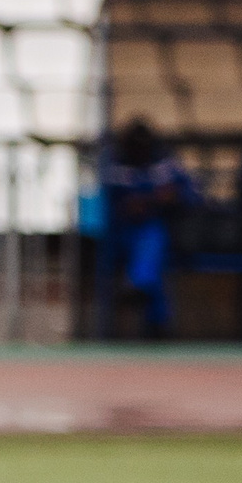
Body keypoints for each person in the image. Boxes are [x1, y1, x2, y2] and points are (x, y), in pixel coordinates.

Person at [101, 117, 195, 337]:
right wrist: (128, 206)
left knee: (152, 240)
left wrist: (162, 199)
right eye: (135, 146)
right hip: (119, 233)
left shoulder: (165, 163)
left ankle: (138, 286)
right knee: (150, 254)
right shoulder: (114, 164)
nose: (139, 151)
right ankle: (153, 313)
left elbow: (190, 196)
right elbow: (101, 201)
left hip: (158, 229)